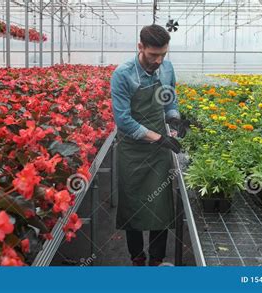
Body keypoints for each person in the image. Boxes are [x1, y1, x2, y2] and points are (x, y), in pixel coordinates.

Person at [110, 24, 189, 266]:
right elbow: (123, 120)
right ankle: (137, 257)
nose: (158, 60)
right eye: (153, 54)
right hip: (132, 151)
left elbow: (169, 101)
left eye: (163, 54)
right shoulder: (123, 74)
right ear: (140, 47)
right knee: (133, 205)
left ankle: (156, 260)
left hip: (158, 152)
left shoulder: (166, 68)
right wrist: (158, 137)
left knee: (160, 207)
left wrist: (174, 119)